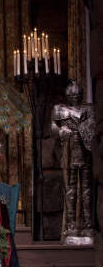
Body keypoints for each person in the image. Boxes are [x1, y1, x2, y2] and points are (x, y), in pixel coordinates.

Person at [51, 79, 95, 240]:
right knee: (70, 189)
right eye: (72, 93)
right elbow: (53, 127)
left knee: (87, 190)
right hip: (69, 151)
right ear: (67, 95)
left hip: (85, 151)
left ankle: (88, 224)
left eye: (78, 94)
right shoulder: (60, 109)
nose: (75, 96)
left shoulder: (89, 109)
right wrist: (62, 131)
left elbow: (93, 128)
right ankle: (71, 225)